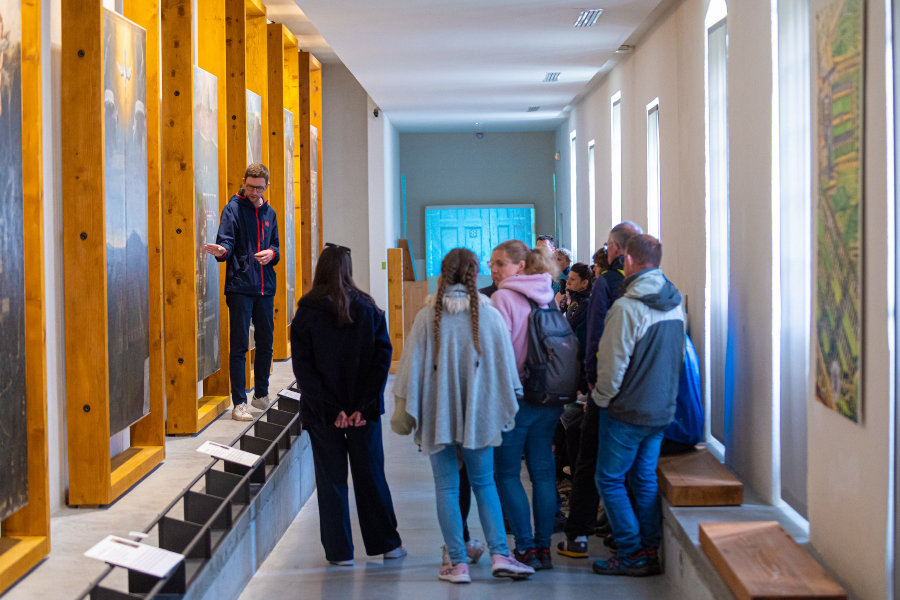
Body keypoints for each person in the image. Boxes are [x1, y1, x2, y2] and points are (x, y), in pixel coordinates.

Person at [392, 248, 535, 583]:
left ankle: (457, 564)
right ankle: (501, 554)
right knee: (485, 483)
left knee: (445, 486)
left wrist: (408, 412)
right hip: (480, 415)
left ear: (443, 274)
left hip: (436, 415)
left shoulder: (427, 316)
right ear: (474, 274)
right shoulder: (489, 314)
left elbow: (409, 370)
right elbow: (505, 372)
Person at [290, 243, 405, 566]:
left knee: (331, 482)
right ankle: (388, 544)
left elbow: (305, 370)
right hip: (363, 415)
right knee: (371, 476)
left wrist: (332, 410)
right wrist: (360, 407)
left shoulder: (306, 314)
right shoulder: (368, 309)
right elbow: (381, 363)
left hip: (322, 414)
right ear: (348, 270)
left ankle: (340, 553)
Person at [591, 234, 685, 577]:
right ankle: (649, 548)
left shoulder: (627, 307)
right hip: (661, 409)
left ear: (628, 260)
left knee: (610, 480)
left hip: (627, 410)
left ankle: (631, 551)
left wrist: (599, 401)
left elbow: (612, 365)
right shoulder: (674, 302)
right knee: (644, 478)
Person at [490, 242, 563, 571]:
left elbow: (498, 353)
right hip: (549, 398)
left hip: (516, 398)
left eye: (500, 263)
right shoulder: (548, 294)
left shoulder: (503, 298)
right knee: (544, 473)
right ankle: (545, 548)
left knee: (506, 473)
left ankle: (526, 547)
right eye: (491, 263)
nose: (493, 269)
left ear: (520, 266)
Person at [204, 163, 280, 421]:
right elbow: (226, 242)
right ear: (244, 183)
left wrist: (272, 254)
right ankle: (239, 403)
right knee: (239, 345)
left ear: (266, 186)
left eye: (259, 188)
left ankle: (261, 394)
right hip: (239, 287)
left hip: (265, 288)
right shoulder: (232, 209)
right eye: (250, 187)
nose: (254, 192)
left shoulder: (270, 213)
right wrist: (222, 252)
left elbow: (276, 247)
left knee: (266, 343)